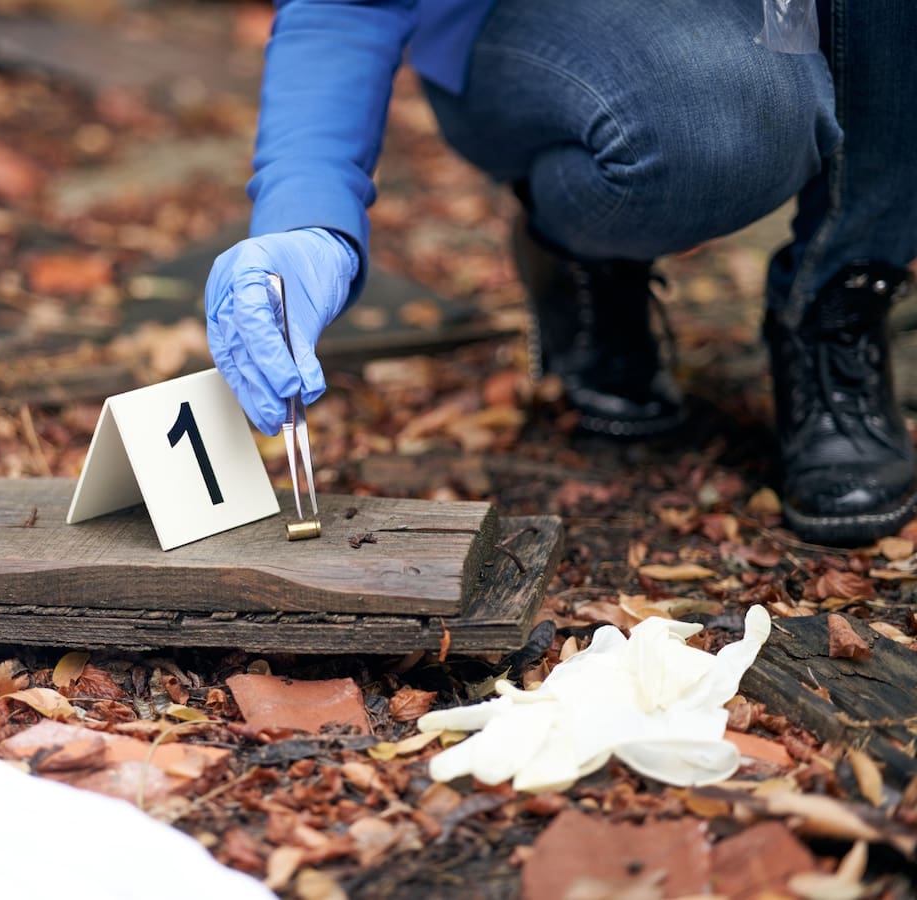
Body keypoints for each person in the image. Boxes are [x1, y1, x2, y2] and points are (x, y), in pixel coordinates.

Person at [204, 0, 917, 547]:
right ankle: (582, 244)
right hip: (529, 29)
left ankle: (837, 300)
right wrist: (306, 215)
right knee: (721, 123)